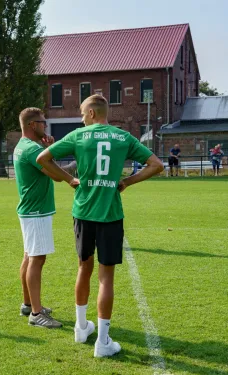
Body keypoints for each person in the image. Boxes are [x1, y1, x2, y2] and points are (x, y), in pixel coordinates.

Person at [37, 94, 163, 357]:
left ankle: (81, 328)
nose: (82, 118)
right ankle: (102, 342)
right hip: (110, 213)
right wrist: (127, 182)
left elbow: (43, 159)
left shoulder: (78, 136)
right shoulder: (123, 137)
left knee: (84, 268)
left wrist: (70, 180)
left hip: (83, 212)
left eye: (83, 113)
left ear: (92, 113)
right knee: (106, 278)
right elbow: (156, 165)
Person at [13, 107, 79, 329]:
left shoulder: (25, 146)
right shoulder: (32, 149)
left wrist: (48, 148)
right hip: (36, 211)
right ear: (32, 125)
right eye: (42, 122)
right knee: (37, 259)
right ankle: (36, 313)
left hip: (30, 209)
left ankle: (28, 304)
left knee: (29, 256)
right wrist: (73, 176)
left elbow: (46, 168)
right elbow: (55, 174)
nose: (46, 126)